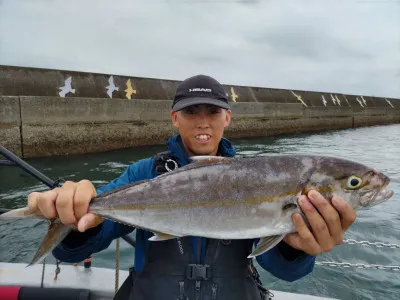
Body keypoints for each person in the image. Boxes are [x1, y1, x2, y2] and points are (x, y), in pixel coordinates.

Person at [27, 74, 357, 300]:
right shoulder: (145, 173)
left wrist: (295, 246)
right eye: (190, 112)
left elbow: (283, 270)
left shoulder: (256, 178)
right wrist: (74, 220)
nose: (202, 121)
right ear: (175, 118)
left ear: (227, 117)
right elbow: (85, 242)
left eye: (213, 111)